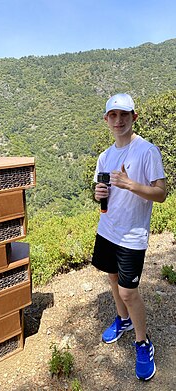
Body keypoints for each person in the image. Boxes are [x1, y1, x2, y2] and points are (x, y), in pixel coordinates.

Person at [92, 93, 166, 381]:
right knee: (112, 278)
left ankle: (142, 342)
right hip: (107, 230)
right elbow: (101, 193)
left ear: (134, 117)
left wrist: (131, 184)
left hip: (132, 236)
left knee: (128, 291)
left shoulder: (147, 151)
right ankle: (122, 321)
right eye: (113, 115)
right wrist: (99, 193)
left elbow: (160, 194)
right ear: (107, 120)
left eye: (124, 114)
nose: (119, 120)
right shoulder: (105, 156)